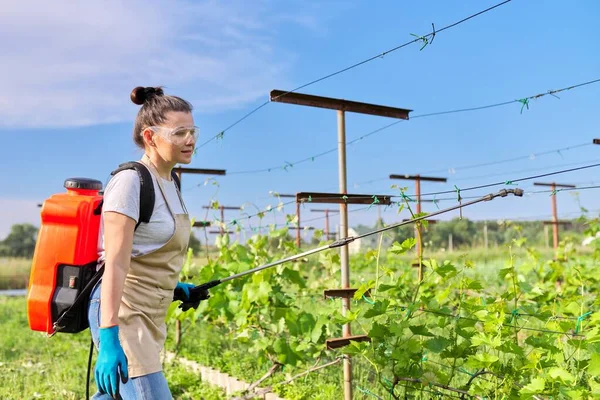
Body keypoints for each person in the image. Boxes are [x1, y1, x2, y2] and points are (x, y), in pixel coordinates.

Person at [88, 86, 199, 399]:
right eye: (179, 132)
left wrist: (174, 288)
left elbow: (148, 252)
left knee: (114, 395)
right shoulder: (129, 182)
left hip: (149, 310)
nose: (189, 140)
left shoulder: (170, 181)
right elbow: (117, 263)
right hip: (123, 311)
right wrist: (109, 340)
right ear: (150, 137)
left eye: (192, 131)